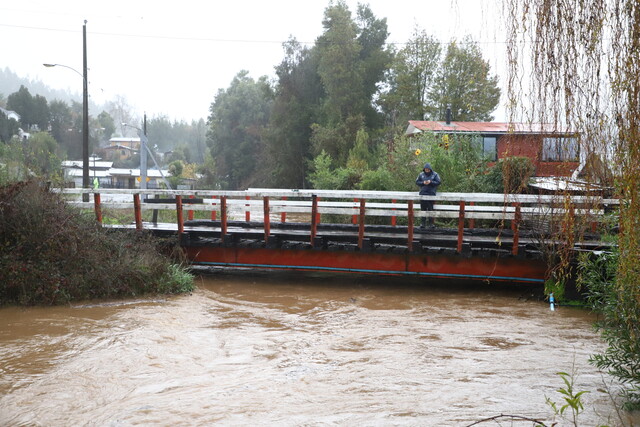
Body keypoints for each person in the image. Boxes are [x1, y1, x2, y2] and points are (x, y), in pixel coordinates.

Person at [415, 162, 441, 228]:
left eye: (428, 169)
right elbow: (417, 182)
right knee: (423, 209)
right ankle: (423, 223)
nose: (427, 170)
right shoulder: (421, 174)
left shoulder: (435, 174)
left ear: (430, 169)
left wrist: (431, 182)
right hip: (423, 194)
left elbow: (438, 182)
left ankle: (431, 224)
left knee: (430, 209)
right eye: (426, 169)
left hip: (431, 194)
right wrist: (423, 182)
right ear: (424, 169)